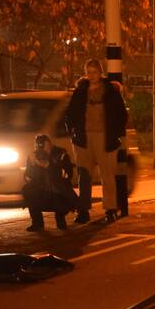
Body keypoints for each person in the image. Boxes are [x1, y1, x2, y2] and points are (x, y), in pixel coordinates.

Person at [64, 58, 128, 224]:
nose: (92, 76)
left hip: (105, 137)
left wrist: (117, 135)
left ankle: (110, 209)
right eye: (89, 72)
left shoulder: (110, 91)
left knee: (107, 175)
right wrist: (72, 132)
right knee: (84, 175)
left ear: (100, 72)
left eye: (94, 72)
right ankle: (83, 210)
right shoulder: (80, 91)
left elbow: (121, 114)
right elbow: (70, 113)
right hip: (83, 138)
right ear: (85, 73)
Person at [23, 134, 77, 232]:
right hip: (41, 187)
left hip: (58, 187)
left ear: (49, 143)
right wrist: (32, 165)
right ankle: (37, 223)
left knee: (61, 196)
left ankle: (60, 218)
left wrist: (48, 165)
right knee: (29, 190)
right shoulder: (34, 155)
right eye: (38, 145)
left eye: (43, 144)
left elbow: (67, 173)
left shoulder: (60, 154)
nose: (41, 147)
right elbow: (28, 175)